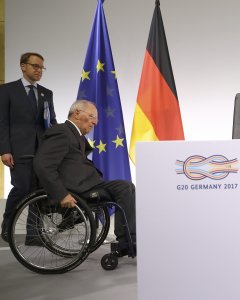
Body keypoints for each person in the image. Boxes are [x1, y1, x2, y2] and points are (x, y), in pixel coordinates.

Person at [33, 99, 136, 255]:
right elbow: (43, 164)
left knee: (126, 186)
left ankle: (128, 240)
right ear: (77, 113)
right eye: (92, 116)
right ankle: (128, 242)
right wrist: (61, 194)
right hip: (78, 188)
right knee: (125, 187)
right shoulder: (61, 131)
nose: (95, 122)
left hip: (87, 184)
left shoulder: (76, 135)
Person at [0, 52, 57, 243]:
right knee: (22, 188)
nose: (39, 70)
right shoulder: (6, 90)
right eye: (35, 66)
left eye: (42, 67)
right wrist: (5, 150)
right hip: (19, 150)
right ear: (23, 66)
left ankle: (34, 234)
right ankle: (7, 226)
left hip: (42, 152)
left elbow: (51, 121)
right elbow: (2, 123)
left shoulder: (46, 93)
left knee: (39, 192)